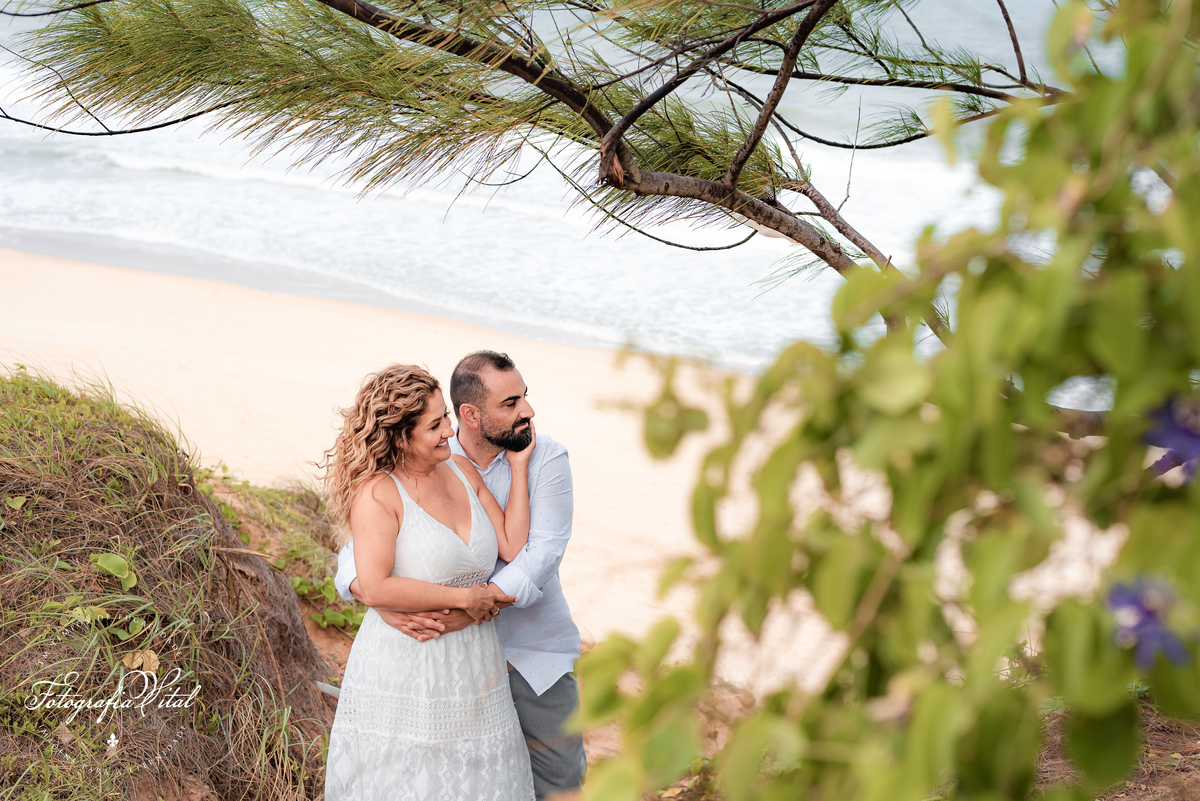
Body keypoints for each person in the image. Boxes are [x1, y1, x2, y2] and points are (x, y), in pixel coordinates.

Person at [335, 351, 586, 800]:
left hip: (524, 652)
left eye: (523, 397)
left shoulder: (534, 458)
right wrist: (378, 599)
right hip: (421, 655)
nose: (526, 411)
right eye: (510, 403)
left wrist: (474, 605)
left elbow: (534, 552)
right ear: (472, 415)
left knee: (546, 785)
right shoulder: (402, 478)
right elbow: (362, 556)